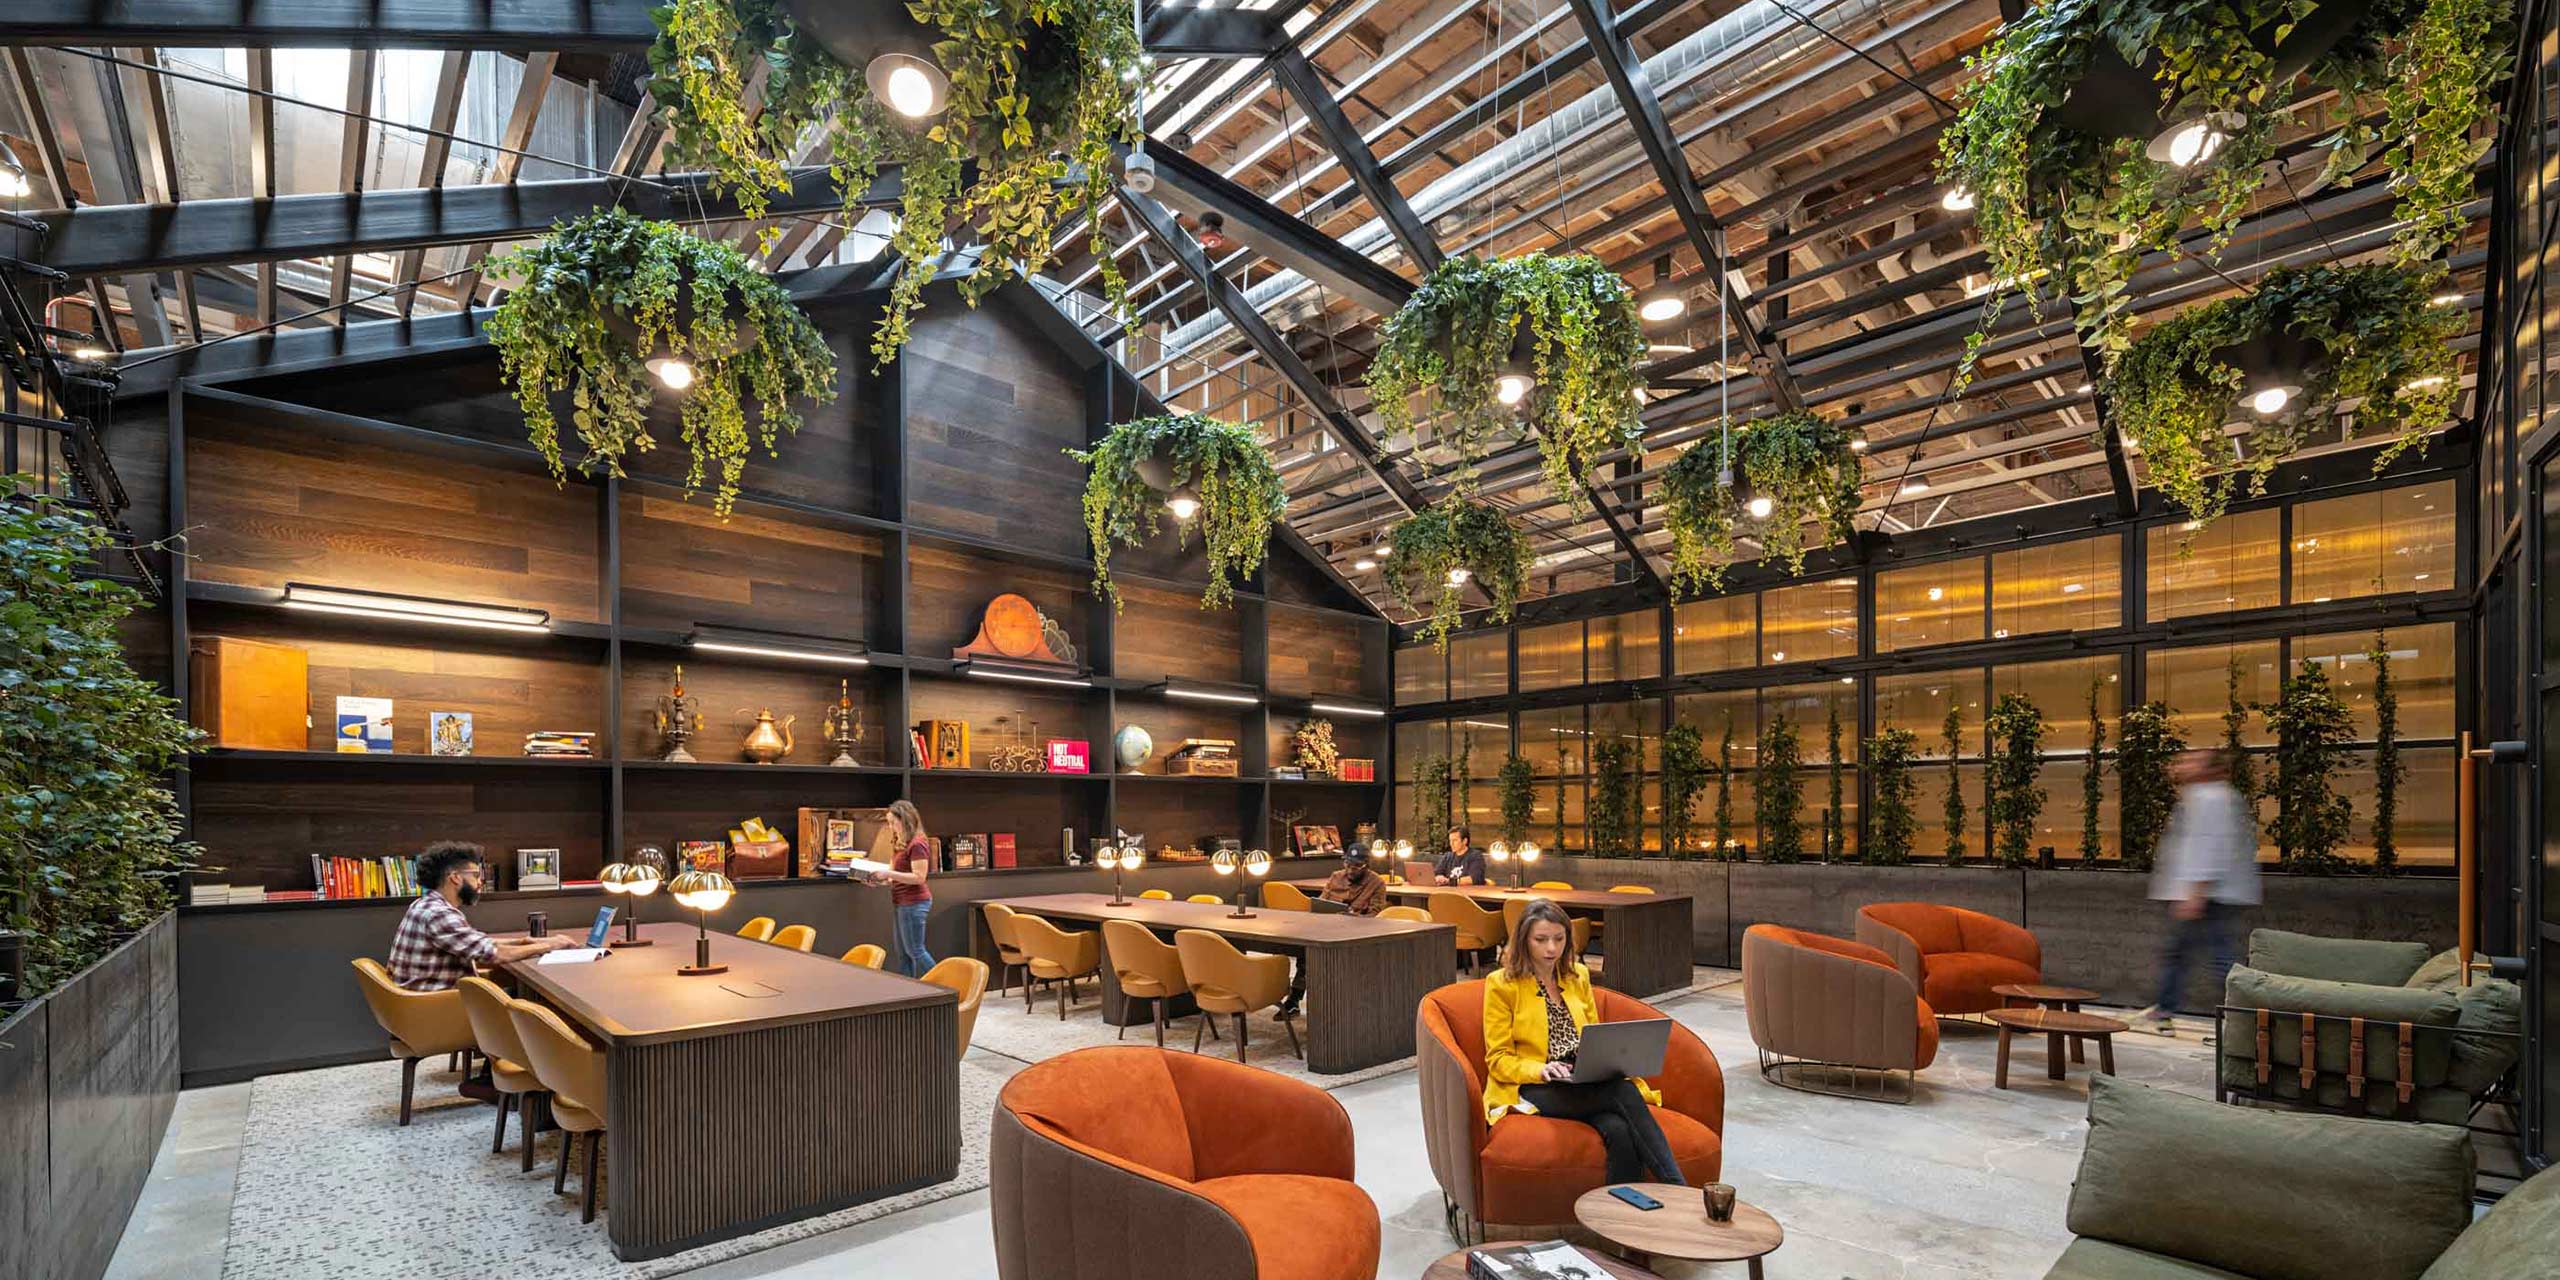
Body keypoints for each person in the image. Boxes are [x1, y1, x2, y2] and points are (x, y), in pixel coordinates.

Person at [1481, 900, 1686, 1186]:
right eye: (1541, 940)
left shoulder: (1577, 977)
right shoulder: (1502, 984)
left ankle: (1620, 1216)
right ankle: (1679, 1189)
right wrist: (1541, 1070)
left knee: (1618, 1129)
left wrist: (1608, 1060)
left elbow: (1594, 1035)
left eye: (1559, 939)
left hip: (1581, 1080)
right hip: (1532, 1085)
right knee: (1624, 1092)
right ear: (1524, 941)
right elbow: (1498, 1059)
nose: (1551, 948)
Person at [2139, 747, 2262, 1034]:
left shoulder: (2211, 797)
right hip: (2206, 891)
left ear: (2209, 769)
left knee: (2217, 957)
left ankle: (2242, 1020)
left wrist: (2196, 891)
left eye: (2191, 760)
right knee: (2185, 952)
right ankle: (2166, 1009)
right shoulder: (2206, 796)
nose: (2182, 764)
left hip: (2208, 894)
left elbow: (2210, 846)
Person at [387, 841, 570, 990]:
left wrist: (526, 942)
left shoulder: (425, 905)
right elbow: (495, 954)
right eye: (475, 875)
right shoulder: (440, 915)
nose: (480, 882)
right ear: (455, 877)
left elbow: (479, 943)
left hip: (425, 1005)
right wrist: (547, 945)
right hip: (438, 1011)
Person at [1276, 845, 1387, 1015]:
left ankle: (1334, 1002)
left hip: (1357, 935)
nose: (1350, 870)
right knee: (1306, 954)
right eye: (1347, 865)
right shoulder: (1336, 877)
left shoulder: (1377, 883)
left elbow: (1375, 915)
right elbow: (1320, 903)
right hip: (1327, 929)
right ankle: (1294, 998)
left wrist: (1353, 917)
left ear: (1366, 865)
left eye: (1356, 867)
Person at [871, 799, 935, 977]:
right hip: (901, 902)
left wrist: (889, 875)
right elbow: (895, 876)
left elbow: (919, 877)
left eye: (893, 822)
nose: (890, 827)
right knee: (903, 954)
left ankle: (948, 987)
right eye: (889, 822)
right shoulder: (900, 843)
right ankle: (910, 993)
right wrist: (877, 880)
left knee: (916, 951)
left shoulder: (918, 844)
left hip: (914, 903)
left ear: (905, 820)